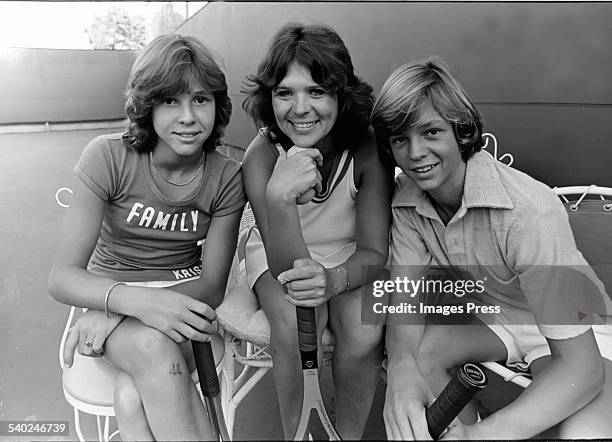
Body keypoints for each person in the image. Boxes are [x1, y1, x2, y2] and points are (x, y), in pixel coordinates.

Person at [370, 56, 612, 440]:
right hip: (498, 318)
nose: (415, 152)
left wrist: (485, 436)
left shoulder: (527, 210)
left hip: (581, 333)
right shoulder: (406, 202)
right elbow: (407, 305)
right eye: (401, 138)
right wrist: (400, 371)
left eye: (431, 132)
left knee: (584, 433)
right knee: (416, 356)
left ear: (460, 131)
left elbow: (582, 369)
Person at [48, 34, 245, 441]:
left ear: (217, 105)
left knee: (131, 398)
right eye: (170, 101)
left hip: (183, 302)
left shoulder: (226, 176)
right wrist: (131, 302)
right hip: (117, 295)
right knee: (153, 351)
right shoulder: (107, 157)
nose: (188, 116)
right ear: (146, 105)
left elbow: (212, 285)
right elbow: (63, 277)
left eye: (201, 100)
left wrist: (122, 309)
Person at [240, 23, 393, 439]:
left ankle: (346, 434)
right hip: (279, 258)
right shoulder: (261, 155)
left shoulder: (367, 147)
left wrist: (333, 280)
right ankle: (299, 433)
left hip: (350, 257)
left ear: (342, 96)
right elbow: (286, 268)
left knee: (364, 329)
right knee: (292, 319)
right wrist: (278, 197)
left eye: (317, 91)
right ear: (269, 98)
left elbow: (375, 253)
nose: (301, 108)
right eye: (285, 92)